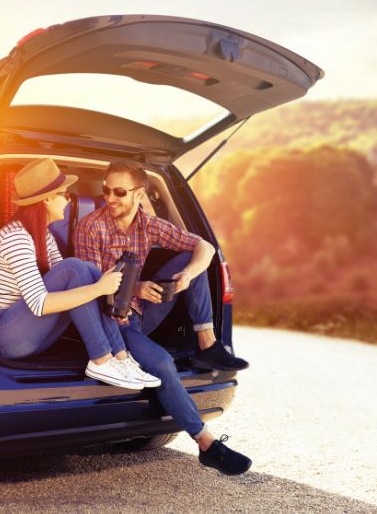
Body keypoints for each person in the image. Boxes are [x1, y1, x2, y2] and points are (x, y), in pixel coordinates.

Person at [74, 161, 251, 476]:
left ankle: (207, 344)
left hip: (143, 312)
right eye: (105, 190)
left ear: (140, 193)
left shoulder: (148, 225)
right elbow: (92, 288)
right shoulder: (91, 226)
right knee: (163, 364)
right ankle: (208, 444)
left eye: (119, 191)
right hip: (113, 321)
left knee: (189, 259)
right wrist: (137, 287)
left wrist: (187, 276)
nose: (109, 198)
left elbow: (205, 247)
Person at [0, 158, 161, 390]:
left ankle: (120, 357)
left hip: (32, 335)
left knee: (86, 270)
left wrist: (98, 284)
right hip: (9, 337)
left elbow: (73, 282)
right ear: (47, 199)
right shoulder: (16, 237)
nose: (68, 200)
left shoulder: (43, 236)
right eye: (64, 194)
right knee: (78, 268)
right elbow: (40, 304)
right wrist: (100, 288)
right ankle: (101, 359)